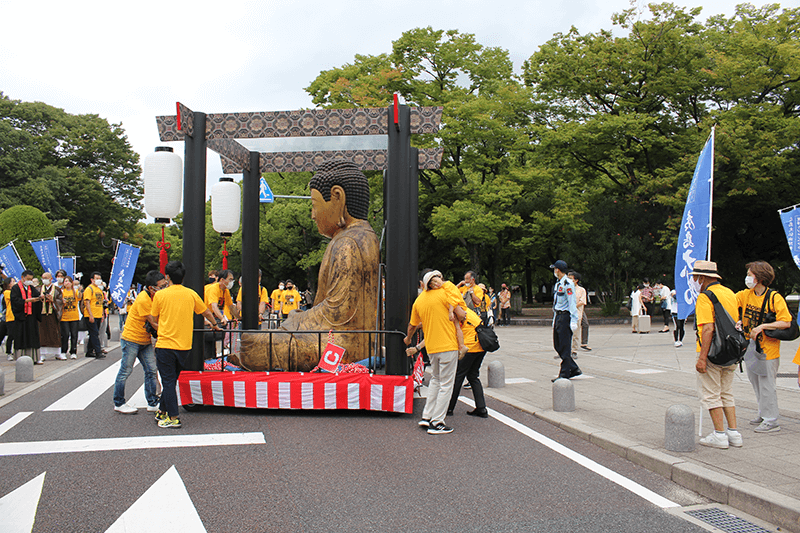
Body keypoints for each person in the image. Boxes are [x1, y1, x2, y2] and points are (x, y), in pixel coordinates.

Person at [148, 261, 218, 429]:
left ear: (167, 277)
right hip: (184, 345)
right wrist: (215, 324)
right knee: (171, 380)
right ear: (183, 276)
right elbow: (206, 312)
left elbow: (153, 317)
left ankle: (173, 417)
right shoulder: (191, 294)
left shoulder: (160, 295)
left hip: (165, 344)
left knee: (168, 382)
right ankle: (162, 411)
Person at [405, 269, 464, 434]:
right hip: (448, 346)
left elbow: (412, 325)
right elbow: (462, 313)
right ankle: (437, 422)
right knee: (446, 385)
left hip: (431, 348)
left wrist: (408, 338)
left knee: (435, 381)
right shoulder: (445, 293)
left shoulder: (419, 300)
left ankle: (427, 416)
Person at [735, 261, 791, 434]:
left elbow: (786, 322)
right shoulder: (745, 295)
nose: (748, 278)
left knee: (767, 384)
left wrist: (762, 327)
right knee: (756, 381)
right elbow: (730, 302)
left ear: (759, 278)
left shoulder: (774, 298)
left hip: (768, 349)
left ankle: (771, 420)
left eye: (750, 275)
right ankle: (763, 412)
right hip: (750, 346)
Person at [692, 260, 743, 449]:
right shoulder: (729, 293)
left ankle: (720, 435)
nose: (694, 281)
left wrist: (702, 358)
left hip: (712, 352)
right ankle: (734, 433)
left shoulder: (706, 296)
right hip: (731, 351)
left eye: (695, 278)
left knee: (711, 394)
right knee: (727, 393)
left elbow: (707, 328)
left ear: (702, 278)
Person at [114, 271, 168, 415]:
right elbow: (154, 322)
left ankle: (152, 402)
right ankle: (119, 403)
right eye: (161, 286)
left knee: (151, 370)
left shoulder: (155, 297)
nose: (164, 288)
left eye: (165, 285)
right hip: (131, 339)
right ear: (151, 288)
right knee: (125, 371)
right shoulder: (144, 299)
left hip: (144, 340)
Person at [446, 307, 489, 418]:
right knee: (473, 376)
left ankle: (449, 408)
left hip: (469, 347)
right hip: (481, 346)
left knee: (458, 377)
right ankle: (481, 408)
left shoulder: (456, 312)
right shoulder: (469, 311)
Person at [550, 260, 581, 382]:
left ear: (558, 270)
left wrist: (574, 320)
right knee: (557, 345)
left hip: (565, 317)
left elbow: (571, 302)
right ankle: (573, 368)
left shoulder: (568, 284)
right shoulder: (558, 284)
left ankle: (564, 373)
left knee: (564, 346)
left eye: (554, 269)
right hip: (558, 316)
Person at [204, 269, 239, 359]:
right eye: (230, 279)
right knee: (207, 342)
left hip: (214, 318)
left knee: (213, 343)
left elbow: (231, 306)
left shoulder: (225, 291)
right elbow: (214, 306)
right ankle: (207, 361)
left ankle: (212, 360)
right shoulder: (214, 288)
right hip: (206, 318)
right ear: (222, 280)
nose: (231, 282)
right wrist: (222, 318)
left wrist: (240, 317)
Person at [10, 270, 42, 361]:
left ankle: (34, 357)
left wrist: (41, 298)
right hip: (21, 316)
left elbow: (37, 297)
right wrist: (27, 301)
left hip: (31, 316)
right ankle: (20, 358)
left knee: (32, 336)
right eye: (28, 279)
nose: (29, 281)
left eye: (31, 279)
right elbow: (15, 301)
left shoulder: (31, 288)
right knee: (21, 336)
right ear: (22, 277)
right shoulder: (15, 288)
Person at [38, 272, 63, 362]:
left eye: (46, 277)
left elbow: (60, 302)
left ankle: (57, 353)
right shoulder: (38, 288)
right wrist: (40, 298)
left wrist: (53, 300)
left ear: (51, 279)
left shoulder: (56, 289)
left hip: (53, 314)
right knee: (42, 333)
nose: (44, 279)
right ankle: (42, 354)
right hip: (42, 314)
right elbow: (35, 300)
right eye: (43, 277)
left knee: (55, 333)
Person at [83, 272, 106, 359]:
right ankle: (98, 352)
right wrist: (90, 315)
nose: (98, 280)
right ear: (92, 280)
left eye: (99, 278)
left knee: (94, 333)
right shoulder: (89, 289)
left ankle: (89, 351)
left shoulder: (99, 290)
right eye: (97, 278)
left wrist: (102, 314)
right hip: (91, 315)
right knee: (95, 333)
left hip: (98, 315)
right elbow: (87, 302)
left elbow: (101, 304)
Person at [59, 276, 80, 359]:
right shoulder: (61, 292)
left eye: (68, 281)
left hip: (74, 316)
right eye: (65, 281)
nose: (67, 282)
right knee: (65, 334)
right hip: (64, 317)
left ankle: (73, 351)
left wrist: (80, 288)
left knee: (74, 335)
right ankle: (63, 351)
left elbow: (80, 297)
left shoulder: (75, 291)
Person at [568, 271, 587, 357]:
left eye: (571, 279)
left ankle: (574, 350)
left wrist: (573, 306)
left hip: (576, 314)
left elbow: (582, 301)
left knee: (575, 333)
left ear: (576, 280)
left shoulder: (581, 290)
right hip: (566, 314)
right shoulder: (566, 289)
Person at [1, 277, 15, 360]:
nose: (15, 282)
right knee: (9, 335)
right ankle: (9, 352)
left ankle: (13, 351)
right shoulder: (7, 292)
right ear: (9, 284)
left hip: (15, 317)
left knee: (14, 335)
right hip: (8, 317)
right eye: (13, 281)